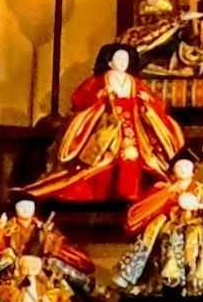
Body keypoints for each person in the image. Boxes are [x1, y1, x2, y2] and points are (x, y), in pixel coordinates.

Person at [24, 42, 186, 204]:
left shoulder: (136, 82)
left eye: (126, 58)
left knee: (136, 157)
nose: (123, 61)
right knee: (104, 161)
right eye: (119, 58)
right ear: (109, 62)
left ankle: (133, 193)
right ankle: (105, 193)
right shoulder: (99, 80)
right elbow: (79, 98)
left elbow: (158, 102)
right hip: (107, 124)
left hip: (134, 125)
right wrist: (100, 96)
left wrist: (146, 100)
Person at [114, 155, 203, 302]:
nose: (183, 169)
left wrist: (202, 207)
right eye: (179, 166)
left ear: (194, 170)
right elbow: (146, 209)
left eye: (186, 166)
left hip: (198, 223)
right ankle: (168, 281)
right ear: (173, 171)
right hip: (171, 224)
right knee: (168, 236)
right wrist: (167, 198)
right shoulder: (163, 189)